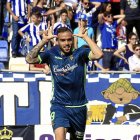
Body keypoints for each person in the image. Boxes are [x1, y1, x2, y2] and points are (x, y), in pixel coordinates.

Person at [25, 26, 103, 140]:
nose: (67, 43)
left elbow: (99, 54)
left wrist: (85, 37)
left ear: (73, 39)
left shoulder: (80, 53)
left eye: (69, 39)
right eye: (63, 40)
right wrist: (44, 41)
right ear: (57, 41)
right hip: (59, 106)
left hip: (79, 107)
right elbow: (29, 59)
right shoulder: (51, 54)